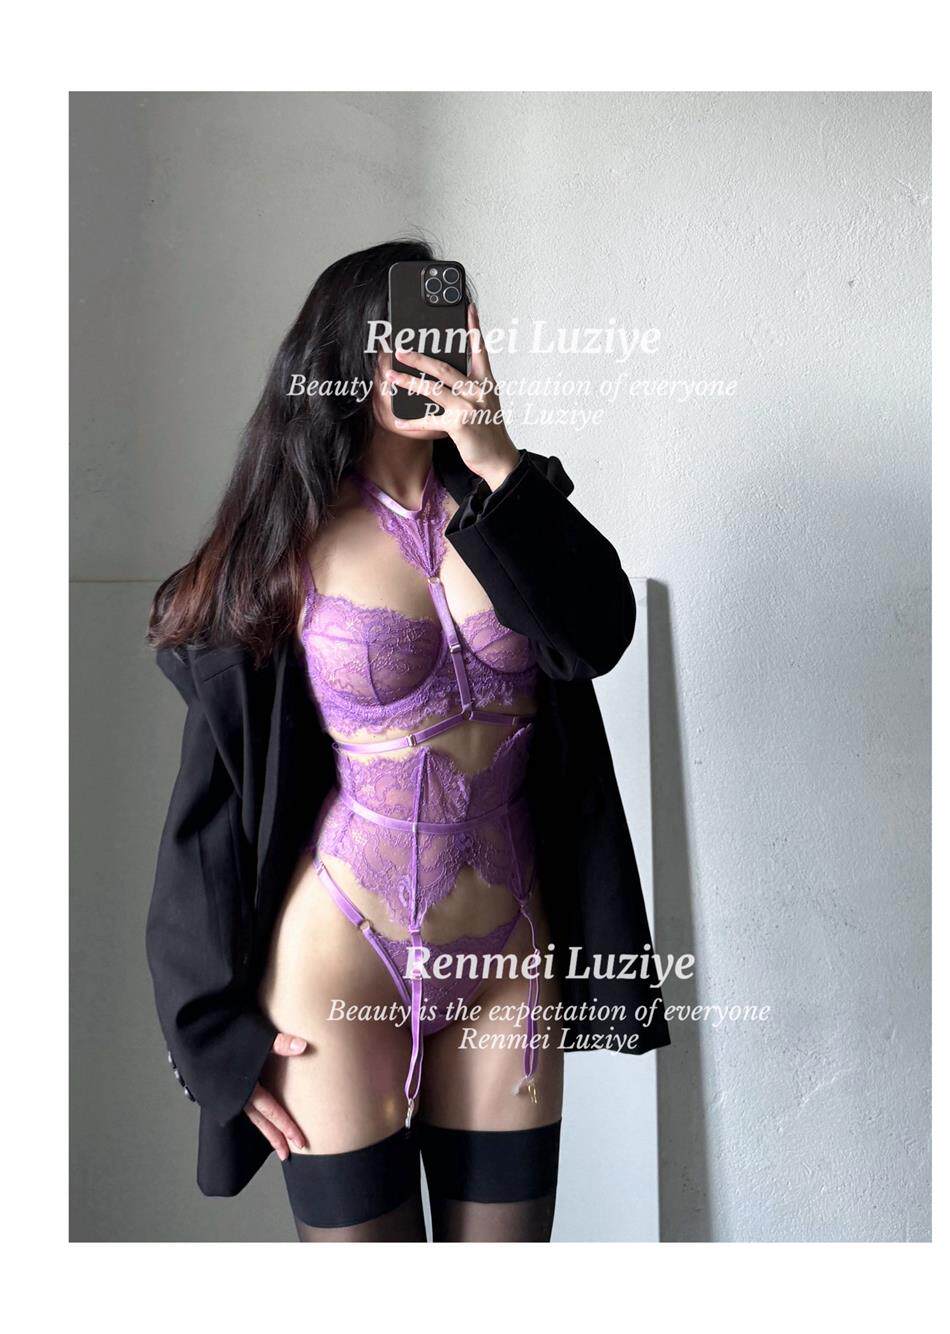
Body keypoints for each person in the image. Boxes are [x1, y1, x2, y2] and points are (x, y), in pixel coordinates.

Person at [147, 239, 669, 1242]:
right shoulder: (280, 546)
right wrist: (210, 1035)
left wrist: (499, 458)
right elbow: (207, 808)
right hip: (340, 954)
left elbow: (598, 633)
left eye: (445, 336)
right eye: (399, 339)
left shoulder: (510, 510)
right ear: (346, 357)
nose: (425, 359)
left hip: (508, 956)